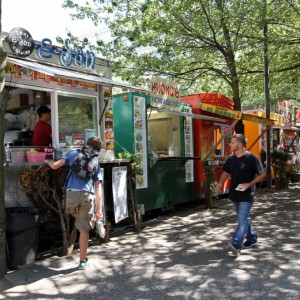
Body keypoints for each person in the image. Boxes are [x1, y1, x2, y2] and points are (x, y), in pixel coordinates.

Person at [47, 136, 103, 270]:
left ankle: (79, 218)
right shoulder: (96, 164)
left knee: (73, 212)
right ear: (98, 150)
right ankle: (82, 261)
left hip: (71, 194)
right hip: (87, 195)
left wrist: (47, 160)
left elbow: (54, 166)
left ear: (86, 144)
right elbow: (98, 189)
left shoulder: (73, 153)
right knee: (84, 230)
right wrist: (98, 210)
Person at [216, 134, 266, 257]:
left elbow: (262, 174)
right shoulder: (231, 159)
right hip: (234, 194)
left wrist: (250, 184)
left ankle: (236, 244)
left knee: (242, 220)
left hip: (247, 194)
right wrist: (221, 182)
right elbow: (225, 173)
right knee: (244, 219)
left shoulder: (252, 158)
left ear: (240, 144)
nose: (230, 144)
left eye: (232, 142)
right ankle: (252, 238)